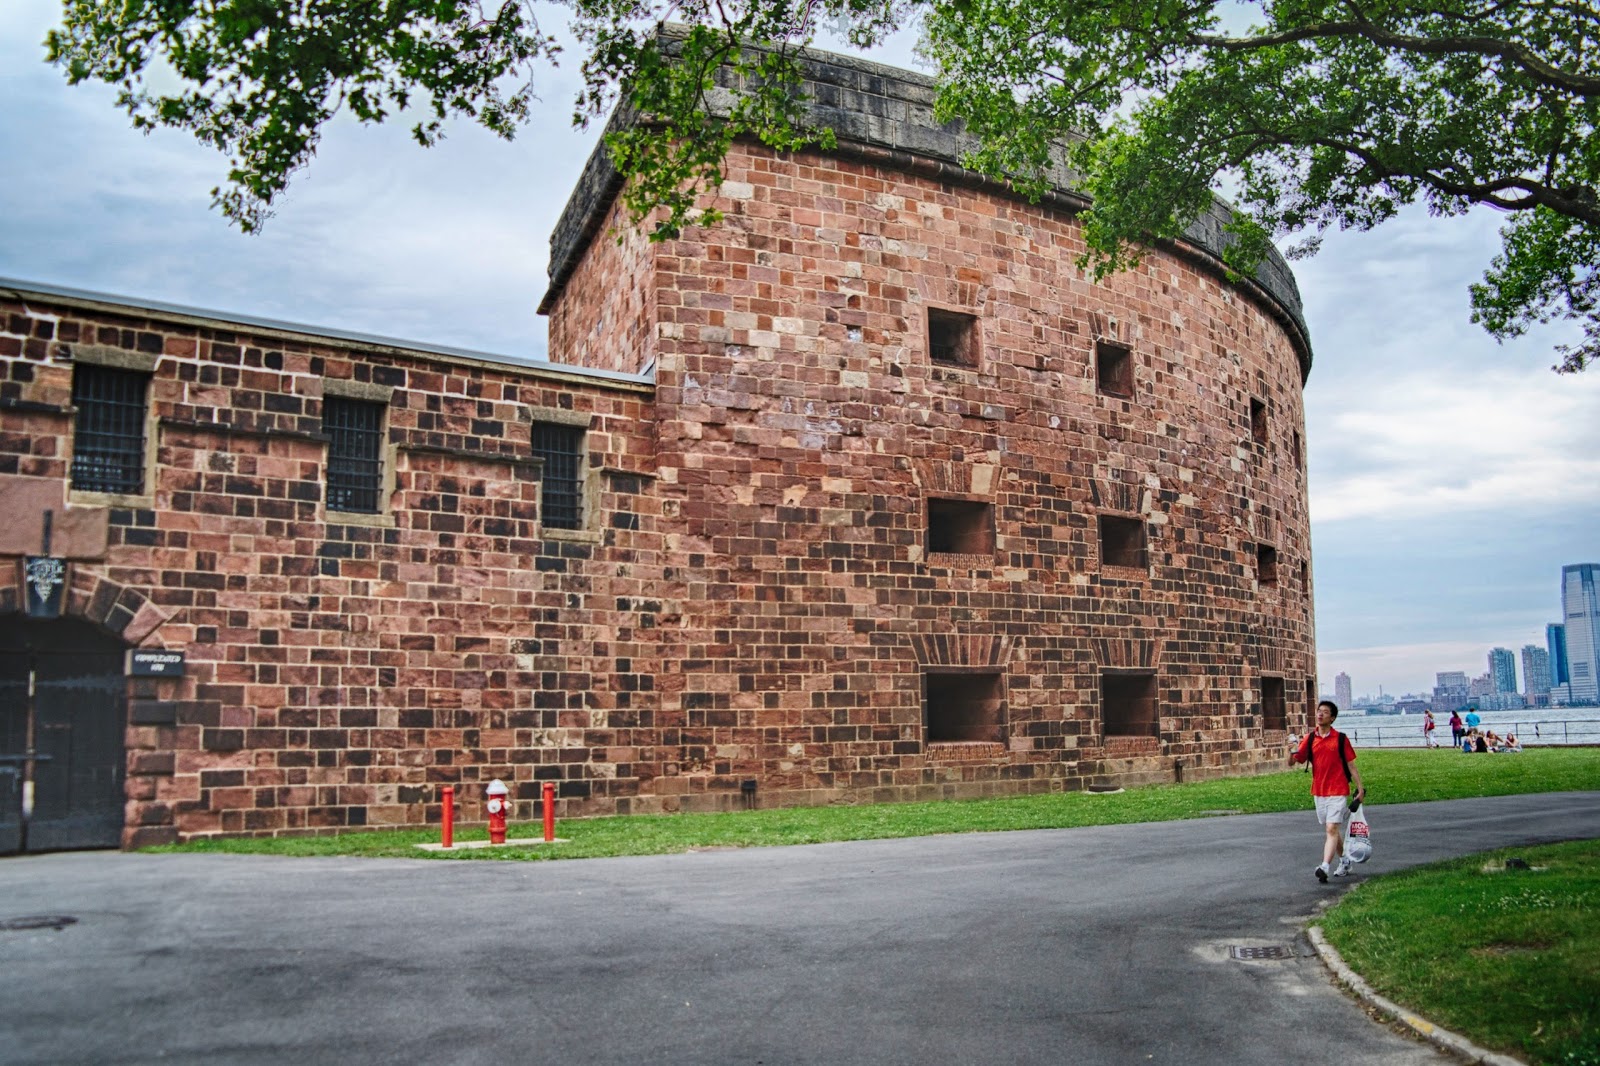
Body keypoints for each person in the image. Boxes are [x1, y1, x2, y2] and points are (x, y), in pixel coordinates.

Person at [1290, 699, 1365, 882]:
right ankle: (1345, 860)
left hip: (1338, 789)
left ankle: (1324, 867)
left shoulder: (1340, 739)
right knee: (1332, 828)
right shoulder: (1310, 739)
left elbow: (1351, 765)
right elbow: (1294, 761)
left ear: (1332, 718)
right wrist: (1290, 750)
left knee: (1331, 828)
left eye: (1325, 712)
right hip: (1319, 791)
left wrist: (1360, 789)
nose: (1320, 714)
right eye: (1318, 711)